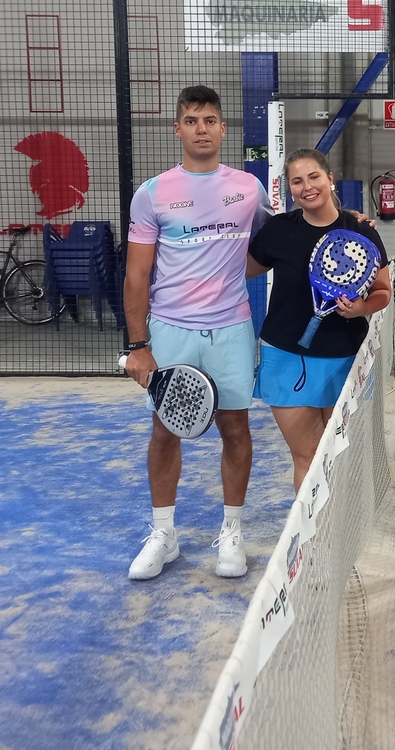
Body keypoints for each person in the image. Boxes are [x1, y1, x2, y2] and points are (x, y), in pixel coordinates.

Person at [122, 85, 273, 581]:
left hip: (231, 329)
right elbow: (136, 275)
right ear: (178, 130)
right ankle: (163, 535)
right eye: (191, 121)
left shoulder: (249, 189)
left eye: (209, 120)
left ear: (223, 129)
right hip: (170, 331)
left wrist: (349, 221)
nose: (201, 129)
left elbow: (278, 244)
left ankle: (232, 533)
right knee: (164, 431)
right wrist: (138, 346)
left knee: (236, 429)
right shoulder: (152, 193)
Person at [247, 149, 392, 490]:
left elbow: (383, 290)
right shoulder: (278, 230)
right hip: (285, 357)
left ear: (330, 179)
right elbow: (240, 269)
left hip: (346, 358)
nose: (307, 187)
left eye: (314, 177)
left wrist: (362, 308)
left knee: (340, 456)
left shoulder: (360, 230)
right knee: (307, 456)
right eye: (297, 181)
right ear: (290, 189)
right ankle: (311, 528)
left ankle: (337, 524)